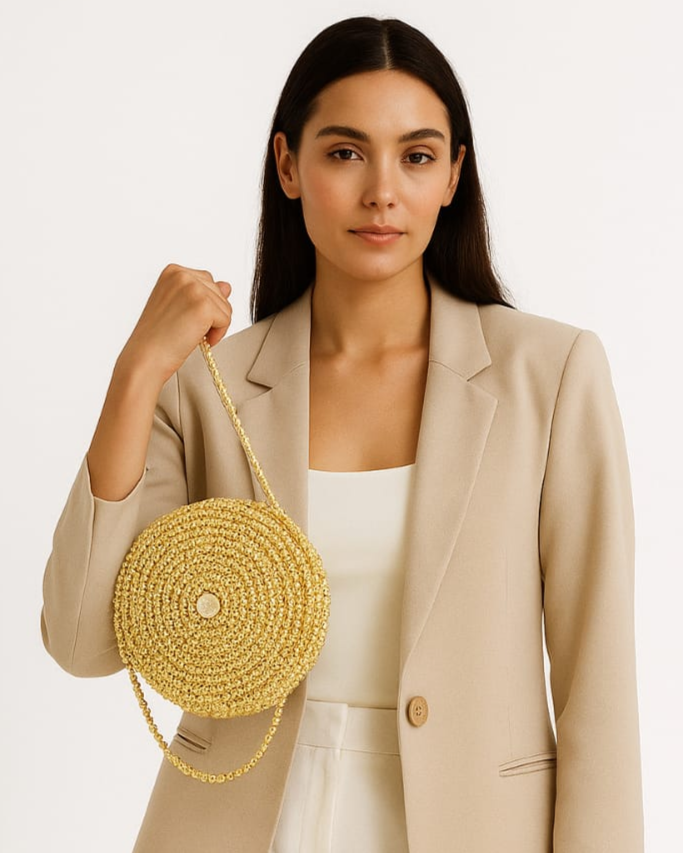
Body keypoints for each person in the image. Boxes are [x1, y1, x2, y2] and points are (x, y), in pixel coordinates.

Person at [40, 15, 644, 853]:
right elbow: (82, 642)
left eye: (416, 156)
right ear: (288, 165)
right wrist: (137, 372)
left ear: (453, 174)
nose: (381, 192)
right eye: (345, 152)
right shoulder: (207, 387)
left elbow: (597, 679)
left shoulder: (548, 375)